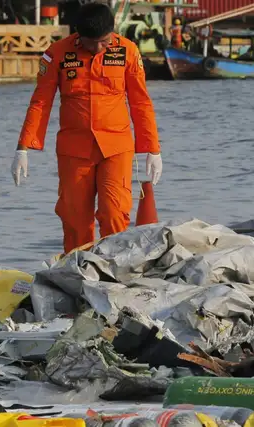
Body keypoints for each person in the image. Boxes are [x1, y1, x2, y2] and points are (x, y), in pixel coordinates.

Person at [11, 2, 162, 254]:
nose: (99, 48)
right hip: (74, 150)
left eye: (104, 42)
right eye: (92, 44)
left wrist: (153, 149)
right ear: (79, 36)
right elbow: (41, 102)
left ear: (112, 32)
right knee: (75, 219)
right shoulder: (57, 53)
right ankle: (77, 269)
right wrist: (23, 148)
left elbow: (141, 102)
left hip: (116, 148)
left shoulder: (128, 51)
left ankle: (114, 267)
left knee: (114, 213)